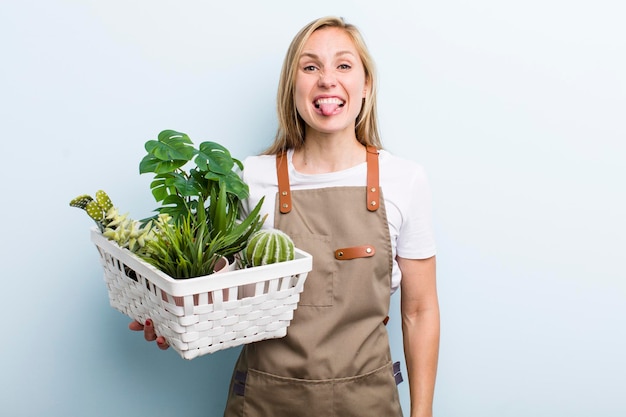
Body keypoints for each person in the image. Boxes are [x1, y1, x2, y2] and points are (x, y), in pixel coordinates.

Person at [130, 16, 439, 417]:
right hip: (263, 401)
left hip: (368, 402)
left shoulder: (404, 181)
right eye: (310, 67)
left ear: (366, 86)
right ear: (293, 88)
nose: (327, 79)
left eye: (343, 65)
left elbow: (419, 312)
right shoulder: (251, 178)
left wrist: (423, 414)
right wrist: (172, 317)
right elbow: (220, 290)